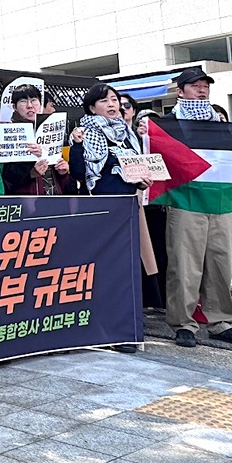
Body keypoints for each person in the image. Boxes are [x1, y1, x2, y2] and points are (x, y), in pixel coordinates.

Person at [163, 67, 232, 348]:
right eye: (195, 85)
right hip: (185, 200)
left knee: (221, 261)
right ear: (181, 91)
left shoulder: (220, 123)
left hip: (220, 201)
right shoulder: (168, 123)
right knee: (185, 263)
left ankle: (221, 321)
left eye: (205, 85)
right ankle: (182, 323)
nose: (202, 90)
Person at [69, 82, 161, 314]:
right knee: (106, 263)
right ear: (91, 108)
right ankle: (106, 315)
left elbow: (138, 166)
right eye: (104, 101)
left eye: (113, 99)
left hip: (128, 205)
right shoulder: (83, 133)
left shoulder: (127, 133)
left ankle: (126, 316)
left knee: (128, 262)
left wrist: (143, 180)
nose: (111, 104)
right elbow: (79, 173)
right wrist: (78, 146)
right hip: (101, 206)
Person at [2, 83, 71, 196]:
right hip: (26, 202)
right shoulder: (9, 133)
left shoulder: (52, 128)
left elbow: (65, 179)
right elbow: (6, 179)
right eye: (23, 101)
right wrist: (31, 173)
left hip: (56, 197)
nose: (30, 105)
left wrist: (63, 172)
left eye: (34, 100)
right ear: (14, 107)